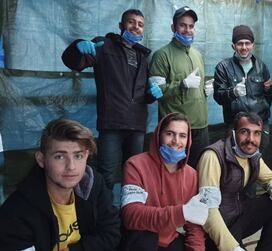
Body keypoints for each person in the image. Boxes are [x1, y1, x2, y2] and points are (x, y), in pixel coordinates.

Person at [62, 9, 157, 191]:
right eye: (131, 22)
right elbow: (74, 63)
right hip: (112, 122)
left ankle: (130, 213)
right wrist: (77, 47)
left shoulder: (143, 57)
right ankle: (105, 215)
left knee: (134, 173)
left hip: (137, 124)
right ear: (121, 25)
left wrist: (151, 94)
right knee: (107, 175)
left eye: (140, 24)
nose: (135, 27)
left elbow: (144, 95)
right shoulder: (104, 46)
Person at [0, 119, 121, 250]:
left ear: (86, 156)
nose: (71, 167)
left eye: (78, 156)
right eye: (60, 157)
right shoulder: (16, 211)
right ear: (41, 160)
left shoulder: (93, 184)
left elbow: (111, 232)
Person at [197, 112, 272, 251]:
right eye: (244, 132)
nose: (251, 139)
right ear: (233, 133)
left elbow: (271, 179)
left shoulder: (252, 155)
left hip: (238, 218)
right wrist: (231, 247)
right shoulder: (213, 156)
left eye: (257, 133)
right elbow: (208, 210)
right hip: (214, 228)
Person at [121, 112, 208, 251]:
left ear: (188, 141)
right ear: (158, 136)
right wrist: (181, 213)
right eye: (170, 134)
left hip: (169, 240)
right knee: (145, 239)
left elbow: (194, 225)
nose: (176, 141)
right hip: (140, 239)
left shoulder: (192, 175)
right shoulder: (135, 165)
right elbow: (131, 215)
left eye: (182, 136)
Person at [149, 6, 212, 167]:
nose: (187, 30)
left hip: (201, 127)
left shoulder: (197, 55)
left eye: (191, 26)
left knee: (198, 173)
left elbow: (197, 87)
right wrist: (182, 84)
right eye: (183, 25)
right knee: (174, 172)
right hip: (176, 131)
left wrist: (205, 91)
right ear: (173, 27)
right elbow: (157, 93)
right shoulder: (161, 56)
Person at [213, 25, 272, 152]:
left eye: (247, 43)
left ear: (253, 45)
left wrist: (269, 89)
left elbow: (268, 97)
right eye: (240, 44)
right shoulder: (223, 67)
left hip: (259, 123)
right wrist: (233, 92)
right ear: (233, 46)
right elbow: (218, 96)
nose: (244, 48)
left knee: (258, 161)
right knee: (234, 162)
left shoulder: (261, 67)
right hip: (234, 124)